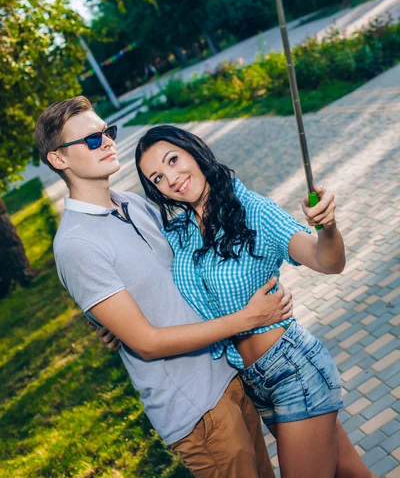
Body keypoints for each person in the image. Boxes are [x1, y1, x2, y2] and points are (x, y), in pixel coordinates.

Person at [35, 95, 298, 478]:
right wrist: (246, 319)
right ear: (59, 159)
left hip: (229, 374)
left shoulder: (133, 204)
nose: (108, 141)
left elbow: (183, 271)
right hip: (194, 408)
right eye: (92, 140)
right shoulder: (76, 243)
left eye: (107, 132)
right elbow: (146, 342)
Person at [135, 124, 377, 478]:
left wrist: (328, 226)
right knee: (352, 473)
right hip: (253, 381)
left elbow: (328, 262)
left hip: (292, 369)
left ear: (193, 151)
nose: (171, 178)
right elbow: (150, 282)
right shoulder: (180, 232)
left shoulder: (253, 209)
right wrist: (114, 325)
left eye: (173, 160)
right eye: (157, 177)